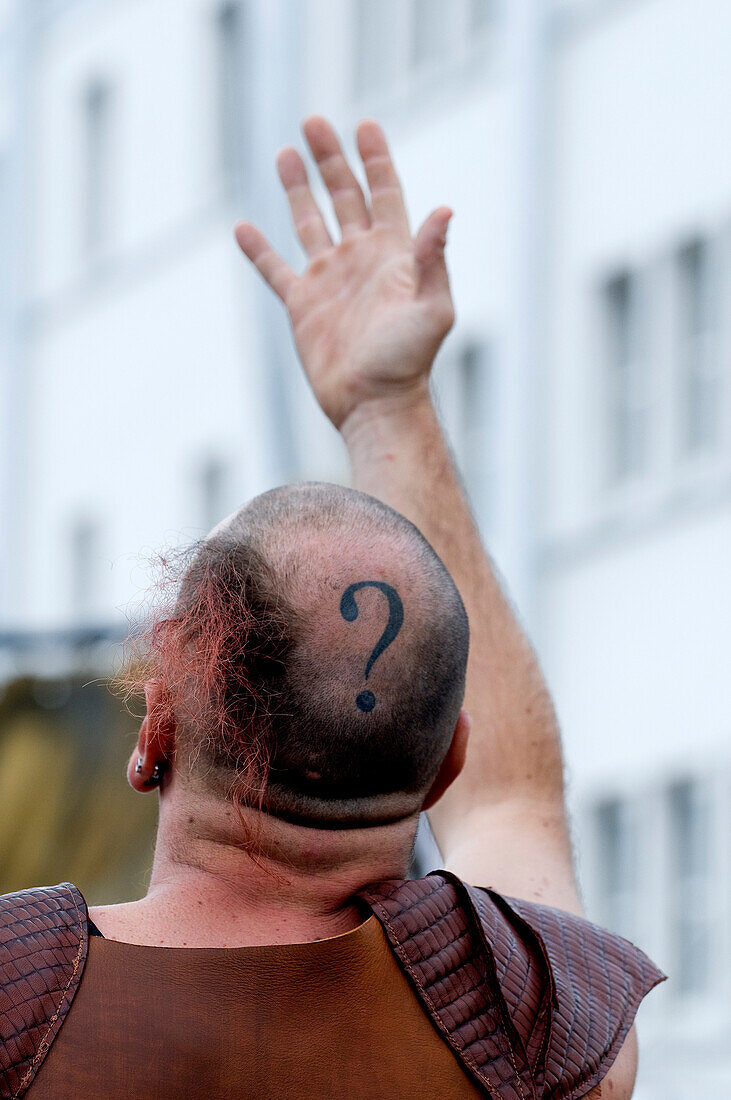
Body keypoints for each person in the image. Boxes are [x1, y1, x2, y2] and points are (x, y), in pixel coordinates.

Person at [0, 116, 664, 1099]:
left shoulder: (21, 1003)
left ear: (156, 730)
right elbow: (515, 805)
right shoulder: (536, 1021)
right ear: (444, 762)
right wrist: (385, 405)